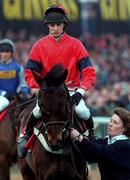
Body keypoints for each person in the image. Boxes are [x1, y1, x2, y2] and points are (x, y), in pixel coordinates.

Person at [17, 5, 96, 158]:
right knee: (38, 111)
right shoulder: (38, 46)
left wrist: (81, 90)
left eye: (58, 25)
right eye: (52, 25)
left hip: (71, 89)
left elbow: (89, 72)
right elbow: (28, 73)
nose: (55, 28)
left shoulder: (76, 44)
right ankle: (25, 136)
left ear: (64, 25)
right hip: (49, 91)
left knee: (82, 111)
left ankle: (92, 137)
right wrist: (40, 86)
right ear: (47, 25)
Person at [70, 107, 130, 180]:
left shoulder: (125, 145)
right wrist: (75, 138)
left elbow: (101, 151)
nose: (110, 124)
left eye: (115, 122)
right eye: (111, 120)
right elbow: (90, 155)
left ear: (124, 128)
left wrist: (79, 137)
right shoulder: (106, 141)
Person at [0, 38, 30, 112]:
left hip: (15, 98)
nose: (4, 54)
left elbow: (23, 84)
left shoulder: (18, 68)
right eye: (2, 51)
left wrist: (23, 92)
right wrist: (4, 94)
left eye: (7, 51)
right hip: (1, 98)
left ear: (11, 53)